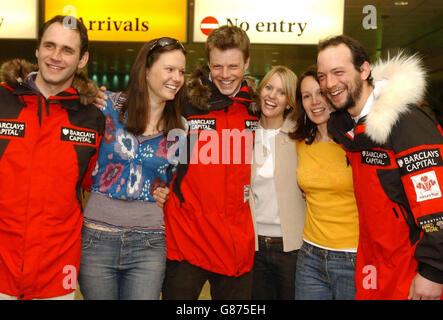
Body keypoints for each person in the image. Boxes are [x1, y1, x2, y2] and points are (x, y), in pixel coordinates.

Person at [317, 35, 443, 299]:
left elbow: (435, 202)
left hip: (412, 271)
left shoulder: (406, 123)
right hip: (376, 265)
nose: (329, 84)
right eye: (322, 76)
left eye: (339, 72)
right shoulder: (350, 129)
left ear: (364, 70)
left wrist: (434, 272)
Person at [0, 15, 105, 300]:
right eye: (50, 46)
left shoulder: (92, 118)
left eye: (67, 50)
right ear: (37, 50)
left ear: (82, 59)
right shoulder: (2, 100)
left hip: (55, 273)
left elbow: (94, 184)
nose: (56, 57)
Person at [78, 37, 186, 300]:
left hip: (148, 244)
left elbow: (169, 180)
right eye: (169, 69)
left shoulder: (180, 128)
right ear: (146, 71)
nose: (177, 77)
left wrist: (162, 191)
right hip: (97, 241)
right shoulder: (107, 107)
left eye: (182, 71)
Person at [161, 25, 260, 300]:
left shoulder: (256, 107)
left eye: (233, 66)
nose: (225, 75)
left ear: (247, 63)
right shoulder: (184, 102)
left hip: (235, 242)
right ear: (208, 64)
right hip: (187, 237)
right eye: (217, 66)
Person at [291, 67, 359, 300]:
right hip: (310, 254)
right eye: (306, 96)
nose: (314, 102)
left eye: (320, 93)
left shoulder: (356, 142)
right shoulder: (300, 143)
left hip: (353, 256)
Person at [249, 66, 305, 300]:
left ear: (290, 102)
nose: (272, 96)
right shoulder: (243, 133)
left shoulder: (301, 137)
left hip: (292, 248)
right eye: (269, 88)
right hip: (253, 247)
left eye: (281, 92)